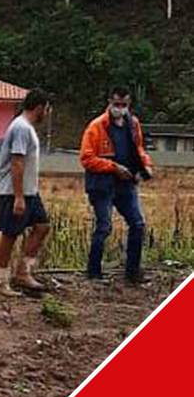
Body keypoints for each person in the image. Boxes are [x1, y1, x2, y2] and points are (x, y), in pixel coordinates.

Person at [79, 86, 154, 283]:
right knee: (104, 226)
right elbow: (86, 159)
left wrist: (145, 166)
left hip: (126, 184)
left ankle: (133, 271)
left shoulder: (133, 124)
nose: (120, 108)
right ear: (109, 103)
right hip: (102, 184)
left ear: (129, 105)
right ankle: (93, 272)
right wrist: (113, 167)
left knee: (138, 224)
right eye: (116, 104)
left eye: (123, 105)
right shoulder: (96, 127)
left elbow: (139, 149)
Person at [0, 88, 52, 297]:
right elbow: (17, 162)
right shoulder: (21, 128)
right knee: (10, 233)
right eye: (47, 110)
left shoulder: (27, 128)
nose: (47, 114)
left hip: (30, 191)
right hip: (13, 192)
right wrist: (19, 197)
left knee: (42, 226)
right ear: (39, 108)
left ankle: (23, 271)